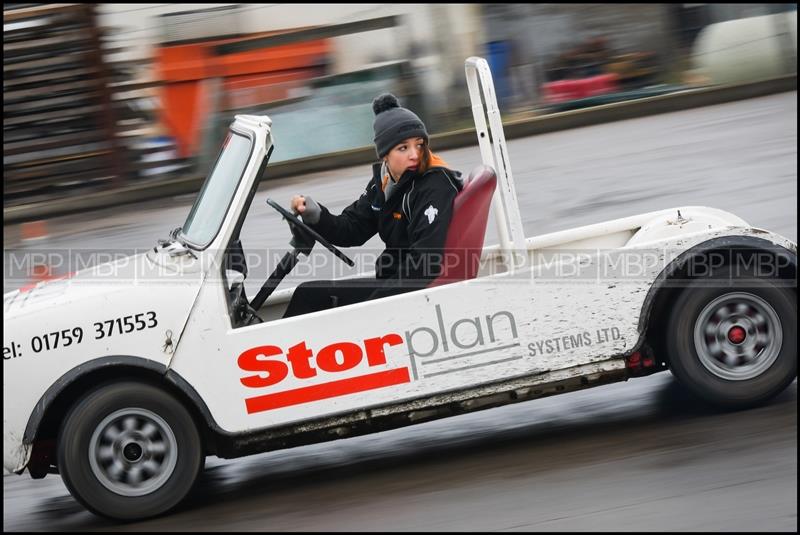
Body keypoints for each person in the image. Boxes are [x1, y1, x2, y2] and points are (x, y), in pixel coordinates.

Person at [283, 93, 463, 318]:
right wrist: (315, 215)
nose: (415, 154)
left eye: (419, 144)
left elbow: (426, 262)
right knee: (307, 293)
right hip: (394, 282)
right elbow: (352, 229)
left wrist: (373, 305)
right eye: (403, 148)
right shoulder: (386, 181)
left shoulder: (434, 185)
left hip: (415, 293)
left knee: (314, 299)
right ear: (385, 154)